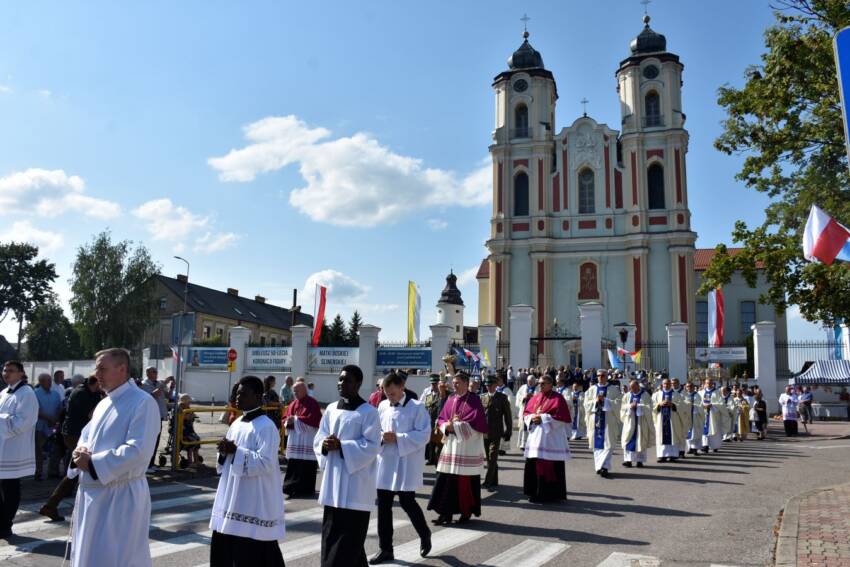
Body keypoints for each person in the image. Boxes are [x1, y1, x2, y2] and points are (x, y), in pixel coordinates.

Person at [67, 348, 161, 567]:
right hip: (94, 493)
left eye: (102, 368)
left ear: (122, 369)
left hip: (121, 496)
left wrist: (91, 463)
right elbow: (86, 437)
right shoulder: (104, 403)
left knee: (116, 557)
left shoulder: (142, 402)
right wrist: (78, 453)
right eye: (96, 368)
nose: (96, 374)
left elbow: (138, 450)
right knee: (89, 555)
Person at [210, 375, 285, 567]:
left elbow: (266, 463)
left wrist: (236, 451)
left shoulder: (266, 426)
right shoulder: (236, 423)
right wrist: (224, 452)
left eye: (243, 393)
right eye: (237, 393)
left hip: (253, 499)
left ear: (258, 396)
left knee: (252, 550)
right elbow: (227, 460)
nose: (237, 397)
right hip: (231, 495)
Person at [314, 365, 381, 567]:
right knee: (335, 538)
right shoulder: (331, 409)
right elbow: (319, 437)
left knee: (348, 543)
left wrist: (342, 446)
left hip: (356, 487)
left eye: (347, 380)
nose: (341, 383)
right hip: (333, 485)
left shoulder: (369, 412)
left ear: (358, 384)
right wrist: (324, 445)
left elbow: (372, 446)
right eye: (340, 379)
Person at [370, 372, 431, 564]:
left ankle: (424, 533)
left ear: (402, 388)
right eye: (387, 394)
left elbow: (424, 435)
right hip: (386, 462)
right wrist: (381, 437)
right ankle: (385, 549)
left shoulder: (417, 407)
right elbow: (375, 431)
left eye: (393, 393)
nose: (390, 397)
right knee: (384, 506)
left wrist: (398, 438)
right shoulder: (382, 406)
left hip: (406, 462)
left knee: (407, 502)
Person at [39, 375, 103, 521]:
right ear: (96, 383)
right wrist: (104, 402)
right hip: (74, 435)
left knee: (74, 471)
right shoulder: (81, 393)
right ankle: (51, 505)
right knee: (76, 470)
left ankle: (51, 505)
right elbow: (91, 415)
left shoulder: (89, 392)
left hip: (76, 434)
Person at [427, 371, 487, 525]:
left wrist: (457, 427)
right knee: (445, 480)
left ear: (466, 383)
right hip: (451, 446)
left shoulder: (474, 400)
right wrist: (447, 426)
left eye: (457, 382)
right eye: (453, 382)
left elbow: (478, 424)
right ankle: (444, 514)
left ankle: (465, 512)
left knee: (463, 482)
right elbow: (441, 418)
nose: (454, 385)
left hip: (466, 447)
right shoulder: (451, 399)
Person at [0, 361, 38, 538]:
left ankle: (6, 525)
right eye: (4, 370)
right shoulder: (3, 392)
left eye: (11, 371)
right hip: (2, 446)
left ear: (21, 373)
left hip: (14, 449)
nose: (6, 373)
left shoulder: (26, 393)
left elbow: (23, 421)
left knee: (11, 487)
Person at [522, 373, 571, 503]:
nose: (540, 386)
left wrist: (542, 418)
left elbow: (561, 418)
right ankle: (534, 493)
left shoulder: (558, 398)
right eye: (539, 383)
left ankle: (552, 495)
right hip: (536, 439)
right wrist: (532, 418)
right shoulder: (536, 397)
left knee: (551, 466)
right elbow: (526, 413)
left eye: (543, 383)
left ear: (550, 384)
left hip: (550, 439)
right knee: (534, 465)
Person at [283, 381, 321, 498]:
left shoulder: (312, 403)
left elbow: (315, 419)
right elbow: (285, 417)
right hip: (295, 438)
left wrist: (295, 420)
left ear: (304, 390)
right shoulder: (293, 404)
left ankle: (306, 488)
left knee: (307, 465)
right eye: (294, 391)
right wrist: (287, 421)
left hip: (307, 438)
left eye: (297, 391)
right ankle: (290, 487)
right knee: (294, 463)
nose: (295, 393)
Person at [584, 370, 621, 477]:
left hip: (609, 422)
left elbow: (619, 403)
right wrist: (595, 401)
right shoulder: (591, 389)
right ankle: (600, 467)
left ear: (606, 377)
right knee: (597, 445)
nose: (600, 377)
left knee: (609, 445)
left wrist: (606, 401)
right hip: (595, 421)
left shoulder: (613, 389)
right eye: (598, 376)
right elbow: (586, 404)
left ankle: (603, 466)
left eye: (603, 375)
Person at [479, 374, 512, 491]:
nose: (489, 387)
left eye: (491, 385)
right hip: (485, 432)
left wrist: (509, 431)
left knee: (492, 457)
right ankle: (494, 480)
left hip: (497, 432)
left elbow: (508, 416)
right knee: (489, 458)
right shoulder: (481, 397)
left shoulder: (502, 398)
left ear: (495, 385)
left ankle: (487, 482)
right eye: (487, 385)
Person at [34, 373, 63, 480]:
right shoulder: (35, 394)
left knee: (55, 450)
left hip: (53, 427)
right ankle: (38, 472)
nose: (50, 383)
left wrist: (55, 419)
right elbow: (35, 410)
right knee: (39, 451)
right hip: (40, 427)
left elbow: (60, 408)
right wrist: (49, 419)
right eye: (48, 380)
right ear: (41, 382)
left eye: (50, 380)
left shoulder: (56, 394)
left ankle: (53, 471)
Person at [140, 366, 168, 472]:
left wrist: (172, 387)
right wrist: (164, 383)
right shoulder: (144, 384)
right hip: (149, 416)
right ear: (147, 373)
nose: (156, 373)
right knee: (149, 441)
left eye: (156, 371)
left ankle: (151, 463)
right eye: (154, 372)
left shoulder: (158, 384)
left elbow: (168, 396)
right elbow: (153, 395)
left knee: (156, 441)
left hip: (159, 415)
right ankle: (146, 465)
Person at [621, 379, 653, 468]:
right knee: (628, 440)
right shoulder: (627, 395)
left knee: (640, 440)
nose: (633, 389)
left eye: (635, 387)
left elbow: (650, 407)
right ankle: (628, 461)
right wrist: (629, 406)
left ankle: (639, 461)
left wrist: (639, 406)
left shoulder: (645, 395)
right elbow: (622, 407)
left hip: (641, 422)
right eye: (631, 387)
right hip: (630, 422)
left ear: (638, 386)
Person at [652, 378, 684, 463]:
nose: (666, 385)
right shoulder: (656, 395)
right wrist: (659, 405)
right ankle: (662, 455)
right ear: (662, 385)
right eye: (664, 384)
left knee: (673, 435)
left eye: (668, 384)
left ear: (671, 384)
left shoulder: (676, 394)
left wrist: (672, 405)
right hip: (660, 419)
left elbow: (681, 406)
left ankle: (673, 455)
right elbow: (652, 406)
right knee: (661, 436)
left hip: (672, 419)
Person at [423, 376, 449, 466]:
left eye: (435, 384)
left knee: (439, 443)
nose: (433, 386)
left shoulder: (444, 395)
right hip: (430, 421)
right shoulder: (429, 395)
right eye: (432, 384)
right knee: (430, 442)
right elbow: (425, 407)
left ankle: (439, 461)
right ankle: (431, 459)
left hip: (440, 423)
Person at [699, 379, 725, 453]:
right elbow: (698, 402)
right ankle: (705, 445)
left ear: (713, 384)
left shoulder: (717, 392)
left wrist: (712, 405)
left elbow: (721, 404)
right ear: (705, 384)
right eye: (707, 383)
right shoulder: (701, 392)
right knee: (704, 430)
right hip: (703, 413)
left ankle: (714, 446)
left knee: (714, 430)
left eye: (710, 383)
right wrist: (703, 405)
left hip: (714, 415)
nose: (709, 384)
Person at [681, 382, 705, 456]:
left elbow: (701, 405)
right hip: (687, 416)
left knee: (695, 433)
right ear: (686, 387)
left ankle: (695, 449)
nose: (689, 388)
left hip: (695, 416)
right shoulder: (683, 395)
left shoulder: (697, 395)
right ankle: (690, 448)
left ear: (693, 387)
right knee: (688, 432)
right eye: (688, 386)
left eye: (691, 386)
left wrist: (694, 405)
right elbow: (681, 404)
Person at [178, 394, 201, 466]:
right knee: (192, 442)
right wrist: (190, 415)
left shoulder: (188, 409)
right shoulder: (180, 409)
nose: (189, 403)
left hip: (189, 431)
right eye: (188, 402)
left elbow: (193, 416)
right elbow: (187, 417)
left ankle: (196, 460)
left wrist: (191, 414)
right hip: (183, 432)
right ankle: (190, 462)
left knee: (197, 440)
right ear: (184, 402)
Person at [515, 374, 537, 450]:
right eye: (528, 381)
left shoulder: (537, 388)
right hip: (524, 409)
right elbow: (518, 396)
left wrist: (533, 397)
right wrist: (524, 397)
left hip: (533, 411)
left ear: (534, 381)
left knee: (532, 427)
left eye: (531, 381)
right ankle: (523, 444)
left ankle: (531, 444)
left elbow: (540, 397)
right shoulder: (523, 387)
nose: (530, 383)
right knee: (523, 427)